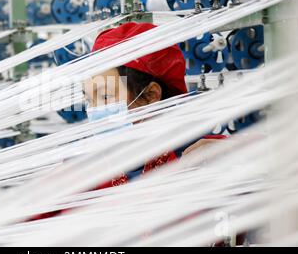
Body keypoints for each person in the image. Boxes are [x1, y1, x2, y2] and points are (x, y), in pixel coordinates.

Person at [83, 22, 226, 188]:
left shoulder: (203, 156)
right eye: (88, 100)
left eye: (105, 96)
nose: (94, 110)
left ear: (151, 95)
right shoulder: (94, 173)